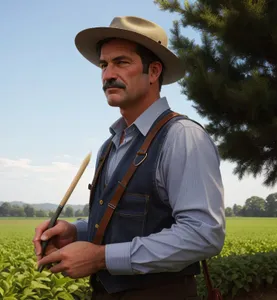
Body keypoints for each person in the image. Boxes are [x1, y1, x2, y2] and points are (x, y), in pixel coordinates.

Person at [33, 16, 225, 300]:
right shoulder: (109, 146)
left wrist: (102, 258)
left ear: (154, 71)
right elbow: (128, 220)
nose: (108, 74)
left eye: (121, 62)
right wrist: (75, 231)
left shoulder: (182, 136)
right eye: (103, 65)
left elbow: (203, 234)